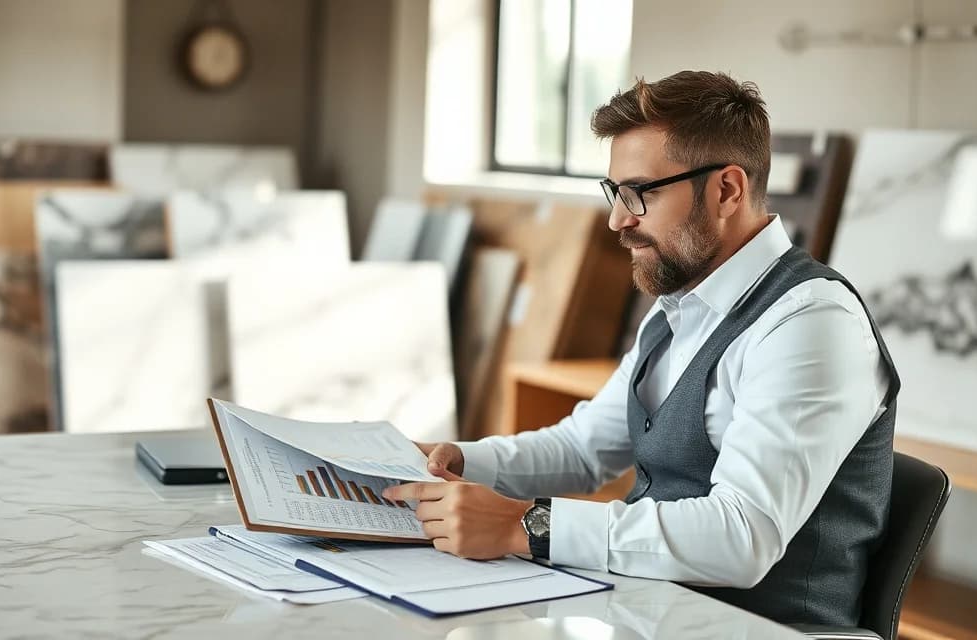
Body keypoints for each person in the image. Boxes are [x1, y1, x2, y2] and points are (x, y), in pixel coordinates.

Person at [383, 70, 900, 627]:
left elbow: (743, 535)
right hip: (650, 615)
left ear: (727, 189)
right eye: (614, 192)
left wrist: (523, 525)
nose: (617, 220)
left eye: (639, 194)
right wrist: (460, 459)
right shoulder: (677, 307)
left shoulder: (811, 322)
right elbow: (584, 449)